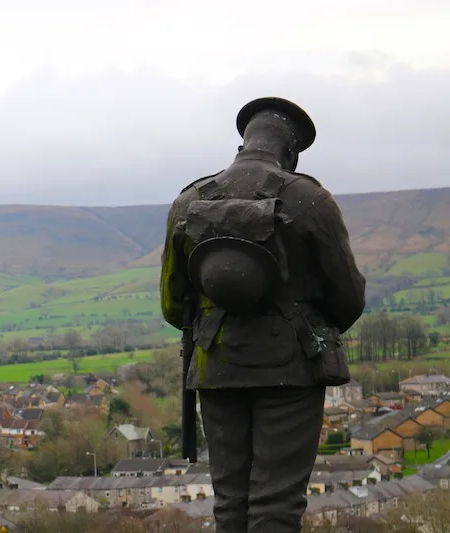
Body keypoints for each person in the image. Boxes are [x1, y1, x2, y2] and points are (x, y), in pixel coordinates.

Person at [160, 97, 366, 532]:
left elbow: (173, 304)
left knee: (229, 502)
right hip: (291, 367)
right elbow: (348, 296)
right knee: (277, 503)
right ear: (290, 151)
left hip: (215, 363)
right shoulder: (309, 200)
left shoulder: (189, 202)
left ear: (243, 143)